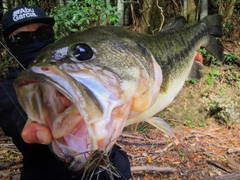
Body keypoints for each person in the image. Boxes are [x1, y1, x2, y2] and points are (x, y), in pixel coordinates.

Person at [0, 5, 131, 180]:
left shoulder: (77, 68)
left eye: (43, 33)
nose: (35, 41)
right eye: (22, 38)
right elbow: (19, 117)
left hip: (111, 170)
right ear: (9, 44)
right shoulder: (5, 89)